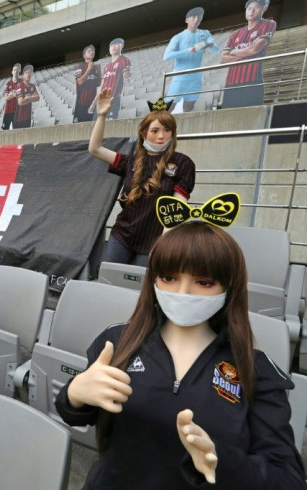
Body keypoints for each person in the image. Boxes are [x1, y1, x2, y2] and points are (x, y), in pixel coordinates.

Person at [55, 221, 307, 489]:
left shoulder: (257, 371)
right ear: (153, 279)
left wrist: (225, 463)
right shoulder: (118, 341)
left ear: (228, 287)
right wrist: (74, 394)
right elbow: (75, 414)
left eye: (203, 282)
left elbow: (288, 479)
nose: (183, 293)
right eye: (169, 278)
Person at [88, 91, 195, 265]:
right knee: (109, 281)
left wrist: (164, 244)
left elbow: (175, 211)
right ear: (144, 132)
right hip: (122, 236)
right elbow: (95, 149)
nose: (162, 136)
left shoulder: (183, 163)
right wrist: (101, 116)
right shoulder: (131, 161)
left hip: (154, 242)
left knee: (140, 289)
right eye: (155, 130)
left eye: (168, 130)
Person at [220, 0, 276, 109]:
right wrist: (247, 50)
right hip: (231, 84)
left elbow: (255, 49)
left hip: (253, 81)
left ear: (264, 9)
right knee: (228, 115)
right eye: (249, 8)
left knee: (250, 115)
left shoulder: (268, 24)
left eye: (256, 8)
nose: (252, 11)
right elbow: (223, 59)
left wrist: (234, 52)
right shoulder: (235, 34)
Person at [164, 7, 219, 113]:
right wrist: (188, 51)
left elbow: (216, 49)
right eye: (193, 17)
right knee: (169, 108)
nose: (196, 19)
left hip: (195, 78)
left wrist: (208, 44)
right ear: (186, 20)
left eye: (199, 17)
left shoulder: (205, 33)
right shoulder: (178, 37)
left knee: (188, 108)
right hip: (180, 78)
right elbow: (166, 56)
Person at [91, 38, 132, 120]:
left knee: (108, 126)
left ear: (122, 46)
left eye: (116, 44)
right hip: (101, 100)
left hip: (113, 99)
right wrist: (93, 104)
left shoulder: (124, 60)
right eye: (111, 46)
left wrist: (127, 76)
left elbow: (126, 77)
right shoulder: (106, 67)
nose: (113, 47)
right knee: (95, 125)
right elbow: (101, 88)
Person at [74, 46, 101, 123]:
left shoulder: (96, 67)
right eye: (89, 51)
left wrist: (99, 71)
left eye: (93, 51)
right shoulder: (80, 66)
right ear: (84, 55)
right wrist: (88, 69)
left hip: (93, 103)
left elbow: (98, 84)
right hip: (82, 103)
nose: (92, 52)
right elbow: (80, 82)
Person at [2, 63, 23, 130]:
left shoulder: (22, 82)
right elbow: (5, 98)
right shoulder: (8, 84)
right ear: (12, 72)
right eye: (14, 70)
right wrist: (15, 94)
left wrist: (11, 94)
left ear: (19, 71)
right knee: (5, 131)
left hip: (18, 111)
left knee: (17, 131)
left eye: (17, 70)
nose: (16, 71)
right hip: (8, 111)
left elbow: (22, 96)